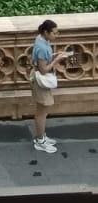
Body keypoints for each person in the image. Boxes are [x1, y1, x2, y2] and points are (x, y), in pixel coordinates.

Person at [30, 19, 73, 154]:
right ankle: (40, 140)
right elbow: (44, 69)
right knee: (42, 111)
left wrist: (55, 54)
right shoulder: (42, 47)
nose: (56, 35)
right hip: (40, 80)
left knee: (42, 110)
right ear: (46, 32)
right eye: (54, 33)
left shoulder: (42, 40)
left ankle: (41, 137)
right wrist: (57, 60)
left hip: (38, 78)